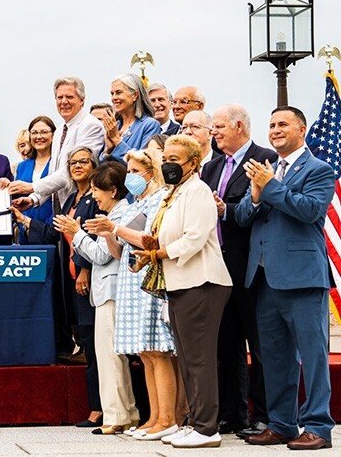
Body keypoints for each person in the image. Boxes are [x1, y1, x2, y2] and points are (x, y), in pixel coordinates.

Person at [236, 106, 335, 451]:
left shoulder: (319, 169)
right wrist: (256, 193)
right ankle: (282, 424)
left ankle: (319, 426)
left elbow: (309, 211)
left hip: (303, 279)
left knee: (313, 355)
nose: (275, 129)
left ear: (302, 130)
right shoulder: (266, 171)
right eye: (272, 124)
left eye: (283, 124)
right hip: (264, 278)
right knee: (275, 356)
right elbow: (245, 217)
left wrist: (271, 187)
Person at [131, 134, 232, 448]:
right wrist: (150, 248)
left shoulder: (198, 191)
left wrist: (158, 254)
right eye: (166, 158)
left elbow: (194, 238)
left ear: (193, 163)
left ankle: (207, 428)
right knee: (187, 357)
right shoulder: (171, 193)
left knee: (199, 357)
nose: (168, 164)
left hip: (201, 282)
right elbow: (164, 235)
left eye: (175, 159)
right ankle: (192, 421)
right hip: (177, 282)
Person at [84, 148, 176, 441]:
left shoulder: (158, 199)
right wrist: (111, 232)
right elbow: (120, 248)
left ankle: (168, 418)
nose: (131, 177)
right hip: (131, 278)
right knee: (146, 353)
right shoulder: (138, 202)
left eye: (136, 171)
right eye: (130, 170)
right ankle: (154, 417)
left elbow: (150, 240)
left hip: (149, 280)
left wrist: (114, 228)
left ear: (152, 171)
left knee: (158, 352)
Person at [11, 147, 103, 426]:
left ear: (94, 165)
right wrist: (25, 221)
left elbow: (94, 236)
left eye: (83, 162)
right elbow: (55, 232)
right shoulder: (71, 198)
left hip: (89, 274)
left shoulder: (96, 198)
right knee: (86, 340)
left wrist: (85, 269)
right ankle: (98, 404)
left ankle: (100, 409)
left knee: (95, 343)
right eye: (72, 163)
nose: (77, 167)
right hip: (70, 276)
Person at [202, 104, 276, 438]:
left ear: (239, 126)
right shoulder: (212, 167)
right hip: (217, 271)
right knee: (225, 345)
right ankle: (232, 414)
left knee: (259, 346)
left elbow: (261, 210)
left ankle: (264, 414)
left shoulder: (266, 158)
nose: (213, 133)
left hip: (251, 269)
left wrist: (225, 209)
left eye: (218, 127)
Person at [63, 162, 139, 435]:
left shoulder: (119, 214)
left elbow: (101, 255)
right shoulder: (114, 212)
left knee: (110, 357)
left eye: (97, 190)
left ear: (113, 191)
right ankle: (125, 412)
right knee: (109, 356)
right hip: (106, 292)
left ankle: (117, 414)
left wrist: (76, 233)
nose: (93, 196)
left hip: (112, 292)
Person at [8, 77, 104, 209]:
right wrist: (34, 199)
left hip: (82, 206)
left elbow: (72, 171)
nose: (64, 102)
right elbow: (54, 173)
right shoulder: (59, 131)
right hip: (61, 208)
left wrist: (31, 187)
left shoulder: (91, 126)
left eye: (69, 97)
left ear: (82, 100)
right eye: (60, 97)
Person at [9, 116, 55, 244]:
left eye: (44, 132)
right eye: (34, 133)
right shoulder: (21, 167)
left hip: (50, 232)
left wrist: (41, 228)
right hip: (25, 233)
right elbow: (16, 199)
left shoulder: (57, 164)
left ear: (53, 135)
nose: (39, 136)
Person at [101, 74, 160, 163]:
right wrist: (108, 150)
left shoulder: (150, 125)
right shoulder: (115, 126)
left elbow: (143, 164)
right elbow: (100, 168)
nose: (114, 98)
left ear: (135, 95)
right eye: (112, 94)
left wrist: (117, 141)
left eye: (119, 92)